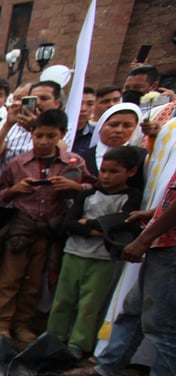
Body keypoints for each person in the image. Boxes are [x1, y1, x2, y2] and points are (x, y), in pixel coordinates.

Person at [64, 166, 176, 376]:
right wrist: (153, 214)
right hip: (163, 243)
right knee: (133, 311)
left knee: (160, 321)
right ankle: (108, 368)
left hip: (171, 247)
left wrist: (144, 239)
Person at [0, 109, 91, 341]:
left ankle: (22, 323)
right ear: (32, 134)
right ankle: (2, 321)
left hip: (50, 228)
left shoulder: (73, 163)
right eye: (38, 135)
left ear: (62, 135)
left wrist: (74, 187)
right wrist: (15, 190)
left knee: (34, 281)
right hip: (21, 227)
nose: (43, 141)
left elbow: (95, 188)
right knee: (10, 278)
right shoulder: (18, 164)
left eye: (50, 136)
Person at [47, 146, 142, 358]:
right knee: (63, 299)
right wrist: (101, 228)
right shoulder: (88, 194)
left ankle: (78, 344)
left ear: (131, 172)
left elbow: (122, 226)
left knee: (90, 304)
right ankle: (53, 337)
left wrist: (88, 225)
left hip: (102, 258)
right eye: (104, 171)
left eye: (114, 172)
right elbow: (69, 223)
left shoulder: (131, 196)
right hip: (73, 252)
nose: (106, 176)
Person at [82, 103, 147, 192]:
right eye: (113, 125)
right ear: (101, 126)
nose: (119, 130)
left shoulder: (143, 158)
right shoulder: (83, 157)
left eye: (127, 126)